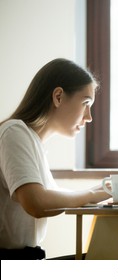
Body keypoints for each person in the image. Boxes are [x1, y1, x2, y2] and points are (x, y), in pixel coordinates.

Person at [0, 58, 112, 259]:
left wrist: (95, 191)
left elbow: (48, 196)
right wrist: (89, 195)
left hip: (27, 260)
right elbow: (36, 202)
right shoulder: (13, 132)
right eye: (86, 103)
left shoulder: (33, 143)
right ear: (58, 97)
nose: (89, 117)